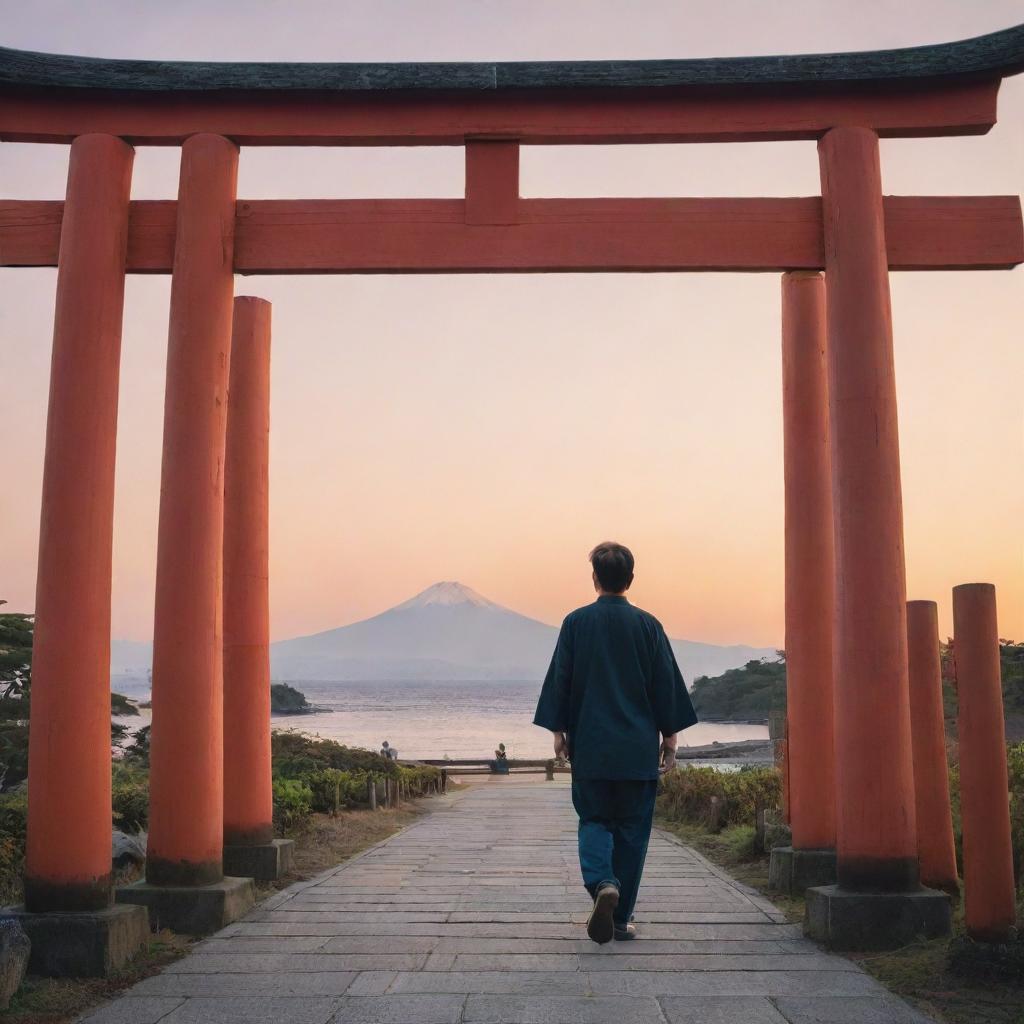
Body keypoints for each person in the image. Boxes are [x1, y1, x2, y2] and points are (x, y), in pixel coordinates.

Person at [533, 541, 697, 944]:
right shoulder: (648, 626)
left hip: (591, 747)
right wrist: (670, 739)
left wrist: (558, 733)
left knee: (593, 821)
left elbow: (562, 680)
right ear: (631, 579)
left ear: (595, 579)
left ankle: (602, 882)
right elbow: (665, 686)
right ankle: (621, 919)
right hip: (637, 750)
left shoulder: (576, 623)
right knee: (632, 832)